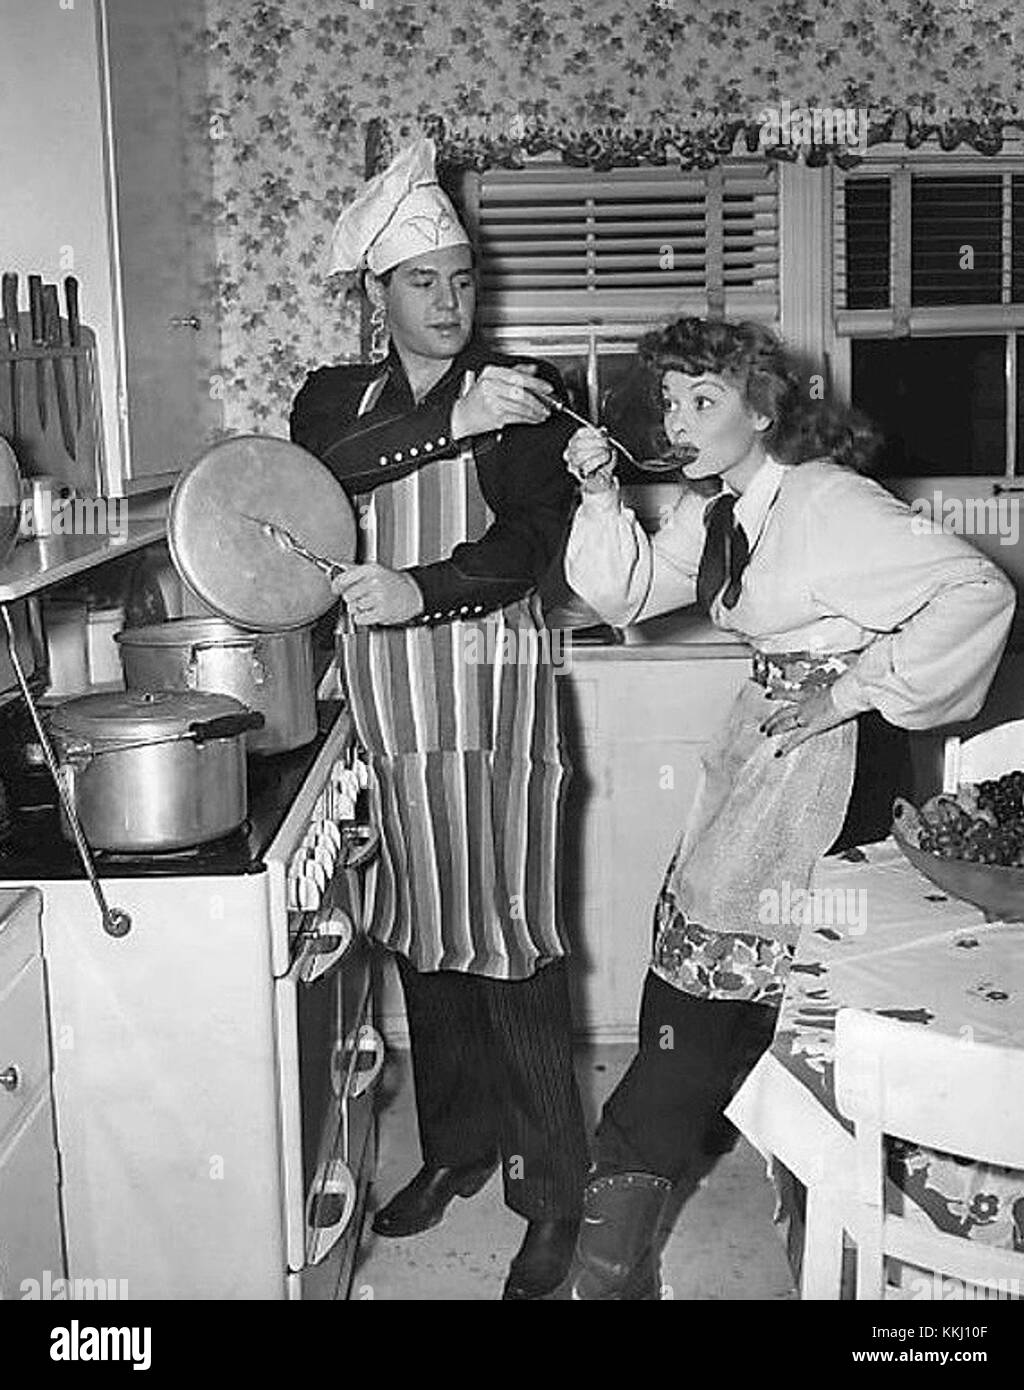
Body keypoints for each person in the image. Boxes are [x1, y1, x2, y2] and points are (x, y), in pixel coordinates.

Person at [561, 316, 1016, 1299]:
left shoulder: (825, 502)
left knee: (793, 1004)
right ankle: (645, 1251)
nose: (676, 421)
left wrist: (851, 688)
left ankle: (822, 1252)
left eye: (702, 400)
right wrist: (599, 494)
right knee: (707, 987)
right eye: (669, 401)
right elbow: (624, 592)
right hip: (763, 751)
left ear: (763, 409)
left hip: (833, 767)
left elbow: (974, 588)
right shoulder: (723, 506)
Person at [289, 138, 588, 1300]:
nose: (452, 302)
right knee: (420, 935)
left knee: (508, 939)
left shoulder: (523, 390)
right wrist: (441, 419)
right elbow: (312, 484)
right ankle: (458, 1149)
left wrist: (422, 587)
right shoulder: (332, 398)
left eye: (463, 280)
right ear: (379, 294)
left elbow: (529, 540)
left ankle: (553, 1190)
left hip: (490, 697)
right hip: (382, 707)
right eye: (425, 283)